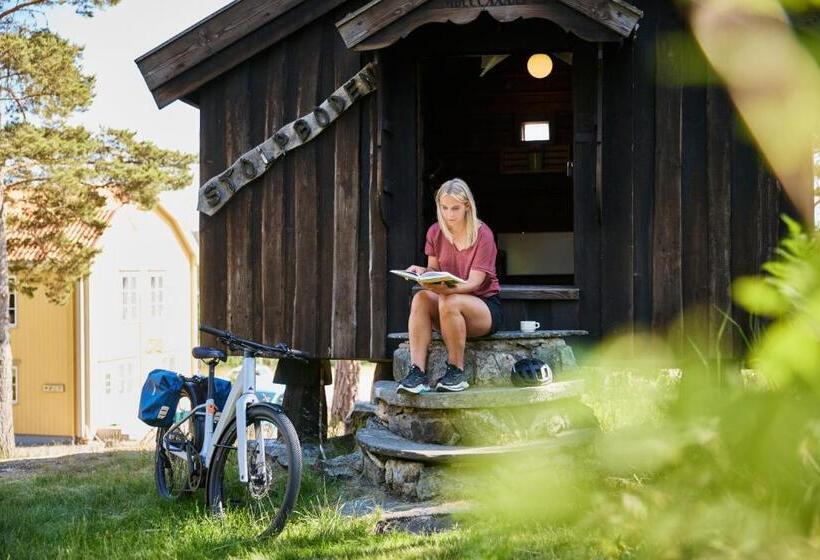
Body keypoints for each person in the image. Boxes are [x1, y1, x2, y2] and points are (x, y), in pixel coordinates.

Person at [398, 178, 503, 394]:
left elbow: (475, 282)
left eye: (455, 208)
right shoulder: (435, 232)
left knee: (449, 300)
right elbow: (433, 269)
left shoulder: (483, 234)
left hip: (483, 308)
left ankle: (456, 371)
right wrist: (421, 272)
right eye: (444, 208)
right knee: (420, 297)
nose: (449, 214)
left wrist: (446, 291)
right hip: (447, 303)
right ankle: (417, 372)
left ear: (467, 206)